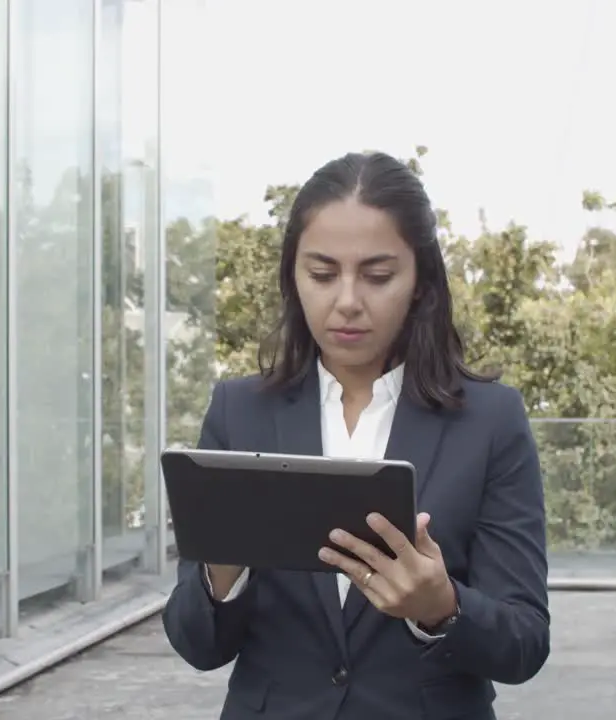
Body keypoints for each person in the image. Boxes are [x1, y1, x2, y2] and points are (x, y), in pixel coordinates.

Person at [161, 151, 550, 719]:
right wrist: (223, 572)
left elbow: (524, 642)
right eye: (321, 274)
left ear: (419, 281)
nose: (346, 301)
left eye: (377, 275)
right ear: (293, 277)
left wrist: (442, 606)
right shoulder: (238, 412)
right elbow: (198, 645)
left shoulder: (490, 421)